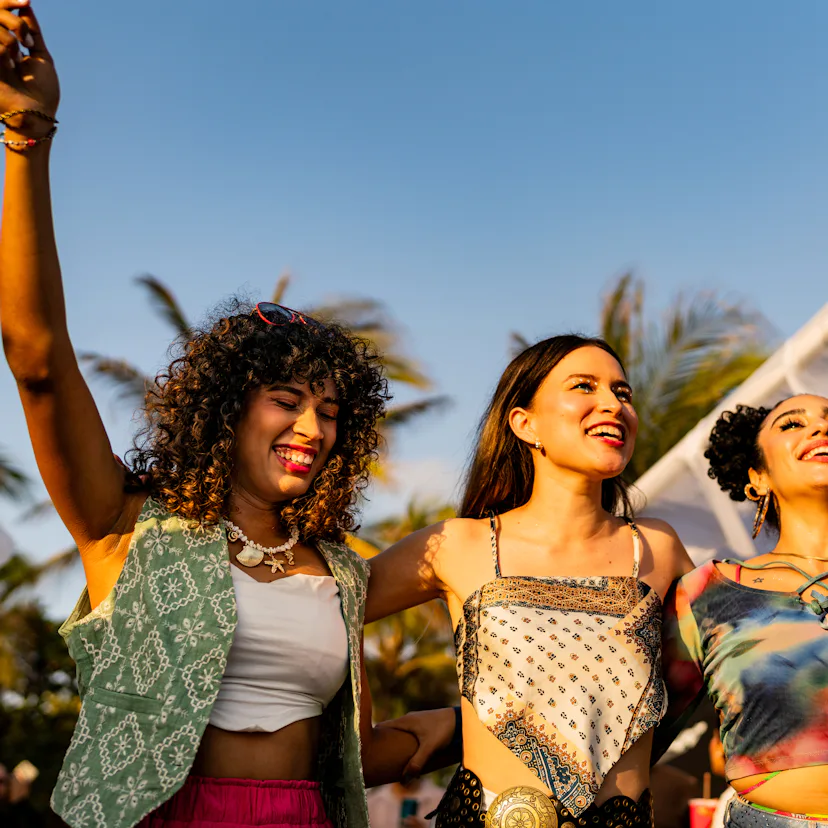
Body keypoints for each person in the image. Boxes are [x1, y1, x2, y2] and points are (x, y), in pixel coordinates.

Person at [0, 4, 456, 827]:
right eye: (287, 401)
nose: (312, 429)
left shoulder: (342, 572)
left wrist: (471, 724)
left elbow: (353, 751)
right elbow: (36, 358)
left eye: (330, 412)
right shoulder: (125, 526)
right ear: (224, 411)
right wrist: (27, 138)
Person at [366, 334, 693, 826]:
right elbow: (324, 610)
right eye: (584, 386)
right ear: (525, 423)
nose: (613, 404)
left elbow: (712, 679)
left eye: (622, 392)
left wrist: (454, 725)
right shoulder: (458, 545)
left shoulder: (658, 548)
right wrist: (368, 739)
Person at [660, 396, 828, 826]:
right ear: (758, 478)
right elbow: (639, 739)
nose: (820, 428)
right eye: (792, 424)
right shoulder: (705, 593)